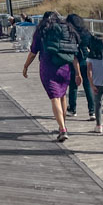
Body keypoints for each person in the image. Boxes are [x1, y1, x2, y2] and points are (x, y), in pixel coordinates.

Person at [22, 11, 81, 142]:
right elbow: (72, 50)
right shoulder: (65, 29)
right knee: (62, 95)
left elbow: (33, 52)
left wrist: (26, 66)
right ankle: (63, 125)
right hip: (64, 66)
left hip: (48, 67)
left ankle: (62, 129)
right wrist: (77, 72)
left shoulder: (41, 31)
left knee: (54, 97)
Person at [66, 14, 96, 120]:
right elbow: (92, 46)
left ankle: (72, 109)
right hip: (86, 61)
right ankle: (92, 111)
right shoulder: (86, 32)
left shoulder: (70, 34)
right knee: (88, 86)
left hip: (74, 61)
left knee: (73, 86)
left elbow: (71, 52)